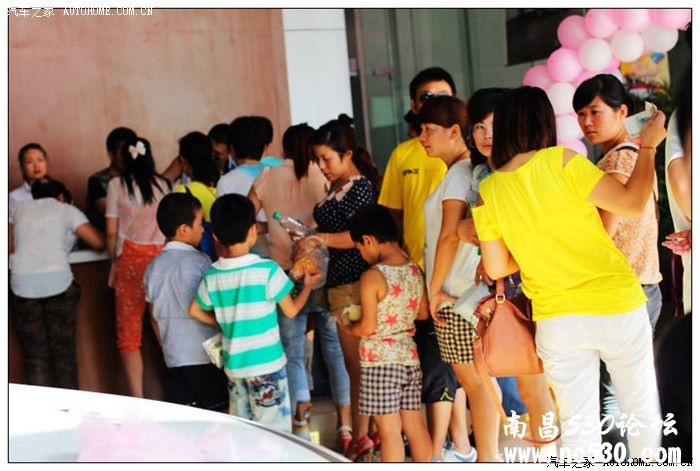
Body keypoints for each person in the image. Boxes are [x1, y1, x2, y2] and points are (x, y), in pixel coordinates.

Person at [472, 86, 666, 459]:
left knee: (579, 428)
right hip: (615, 304)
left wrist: (532, 245)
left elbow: (496, 267)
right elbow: (631, 202)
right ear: (543, 123)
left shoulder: (490, 189)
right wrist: (649, 147)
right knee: (639, 407)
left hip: (557, 319)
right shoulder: (562, 161)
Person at [377, 66, 472, 462]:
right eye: (426, 99)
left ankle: (455, 447)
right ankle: (451, 449)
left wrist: (436, 287)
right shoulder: (405, 153)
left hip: (451, 282)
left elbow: (456, 232)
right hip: (422, 274)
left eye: (442, 97)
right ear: (413, 105)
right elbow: (394, 217)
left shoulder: (465, 163)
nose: (431, 110)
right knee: (445, 367)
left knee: (460, 370)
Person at [461, 87, 555, 450]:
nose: (487, 136)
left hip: (534, 284)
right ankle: (543, 451)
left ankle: (548, 453)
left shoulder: (531, 169)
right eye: (479, 127)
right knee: (524, 378)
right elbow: (471, 228)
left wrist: (493, 253)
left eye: (494, 126)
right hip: (504, 288)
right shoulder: (481, 174)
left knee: (535, 381)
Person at [248, 123, 351, 446]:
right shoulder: (323, 175)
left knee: (292, 351)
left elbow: (246, 215)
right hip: (323, 272)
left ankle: (301, 422)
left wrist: (272, 229)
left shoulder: (268, 175)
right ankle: (345, 426)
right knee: (335, 350)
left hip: (284, 275)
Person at [188, 194, 321, 433]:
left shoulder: (213, 275)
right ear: (252, 231)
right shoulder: (267, 270)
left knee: (245, 434)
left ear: (215, 237)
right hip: (267, 367)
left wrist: (224, 325)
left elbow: (195, 310)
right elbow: (291, 312)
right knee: (274, 436)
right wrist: (308, 286)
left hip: (235, 368)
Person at [417, 95, 502, 462]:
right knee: (481, 381)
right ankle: (488, 456)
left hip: (457, 296)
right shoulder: (464, 171)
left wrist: (434, 291)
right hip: (466, 293)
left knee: (475, 383)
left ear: (455, 131)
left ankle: (487, 459)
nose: (421, 137)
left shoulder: (460, 173)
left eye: (427, 129)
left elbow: (449, 235)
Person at [305, 115, 380, 460]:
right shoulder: (336, 189)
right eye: (318, 160)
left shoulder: (360, 188)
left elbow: (356, 237)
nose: (322, 167)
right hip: (340, 284)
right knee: (357, 365)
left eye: (327, 159)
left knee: (359, 365)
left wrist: (317, 238)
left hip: (356, 284)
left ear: (347, 154)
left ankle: (363, 437)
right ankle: (369, 434)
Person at [339, 204, 432, 463]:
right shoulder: (414, 269)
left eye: (360, 248)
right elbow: (423, 314)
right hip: (409, 359)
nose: (362, 255)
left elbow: (368, 327)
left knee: (389, 432)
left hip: (380, 363)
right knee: (414, 426)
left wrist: (349, 327)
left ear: (368, 240)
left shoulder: (373, 276)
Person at [574, 74, 663, 332]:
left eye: (595, 112)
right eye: (580, 114)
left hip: (624, 293)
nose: (586, 122)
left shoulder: (616, 162)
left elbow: (603, 235)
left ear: (621, 111)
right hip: (642, 285)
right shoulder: (634, 152)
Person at [10, 179, 104, 389]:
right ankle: (71, 408)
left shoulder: (18, 209)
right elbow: (97, 242)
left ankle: (41, 414)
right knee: (65, 355)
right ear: (61, 196)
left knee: (35, 356)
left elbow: (10, 244)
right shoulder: (65, 209)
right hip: (58, 285)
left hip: (22, 288)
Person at [143, 192, 228, 411]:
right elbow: (214, 306)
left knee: (189, 417)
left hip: (173, 357)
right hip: (204, 355)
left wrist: (167, 346)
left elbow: (154, 318)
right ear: (183, 229)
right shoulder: (200, 262)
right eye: (200, 223)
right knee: (219, 414)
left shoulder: (152, 267)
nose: (202, 229)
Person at [106, 136, 172, 398]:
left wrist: (113, 263)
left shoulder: (115, 185)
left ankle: (137, 398)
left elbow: (111, 234)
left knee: (129, 336)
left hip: (130, 264)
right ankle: (179, 392)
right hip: (161, 262)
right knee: (166, 329)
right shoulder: (164, 184)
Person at [174, 131, 220, 261]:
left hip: (195, 259)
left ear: (183, 161)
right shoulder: (221, 186)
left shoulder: (184, 191)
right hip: (220, 257)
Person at [86, 127, 138, 232]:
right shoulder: (96, 181)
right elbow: (112, 214)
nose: (127, 157)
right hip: (107, 241)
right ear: (111, 154)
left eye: (130, 151)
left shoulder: (138, 178)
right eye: (123, 152)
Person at [9, 143, 50, 218]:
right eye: (29, 162)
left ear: (46, 163)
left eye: (40, 160)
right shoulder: (14, 197)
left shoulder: (59, 191)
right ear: (22, 167)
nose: (36, 166)